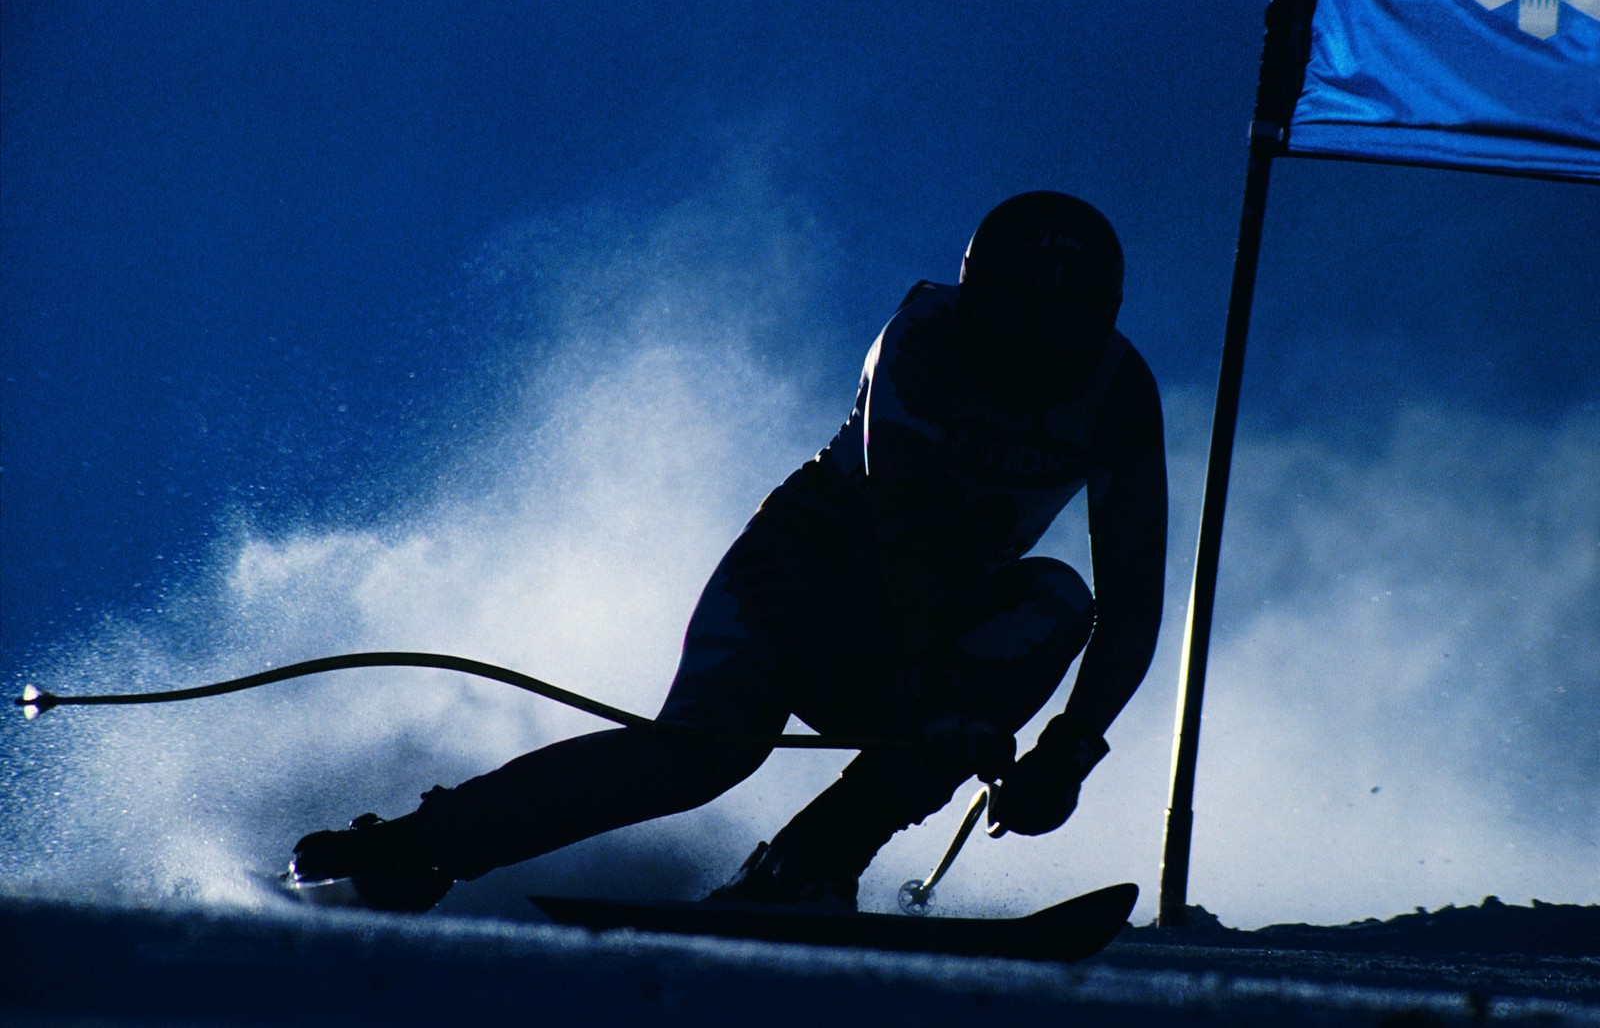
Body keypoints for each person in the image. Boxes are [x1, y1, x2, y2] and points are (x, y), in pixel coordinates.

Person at [290, 190, 1168, 913]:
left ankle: (809, 862)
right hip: (808, 574)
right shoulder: (922, 342)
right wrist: (938, 686)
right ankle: (420, 846)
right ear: (982, 308)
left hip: (929, 625)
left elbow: (1131, 603)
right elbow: (905, 527)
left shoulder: (1120, 396)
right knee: (703, 752)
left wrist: (1070, 749)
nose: (1038, 359)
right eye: (1020, 328)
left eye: (1066, 333)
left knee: (1055, 597)